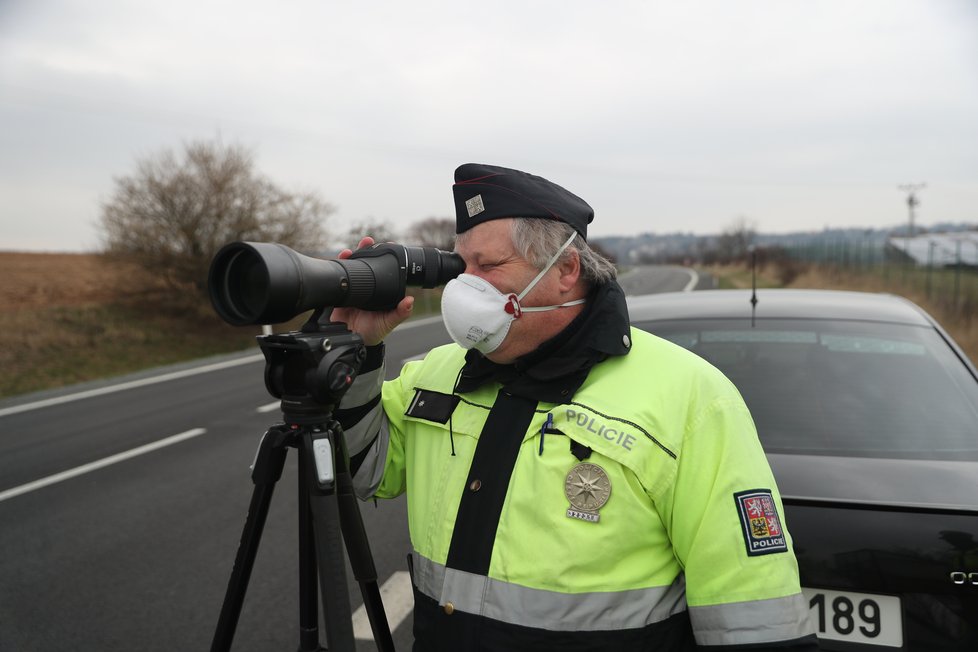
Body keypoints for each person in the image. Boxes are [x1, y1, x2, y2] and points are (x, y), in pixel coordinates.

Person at [331, 163, 817, 651]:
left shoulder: (691, 397)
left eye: (489, 267)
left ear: (565, 271)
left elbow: (752, 617)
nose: (465, 286)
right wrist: (357, 351)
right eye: (462, 267)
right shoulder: (438, 372)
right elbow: (365, 467)